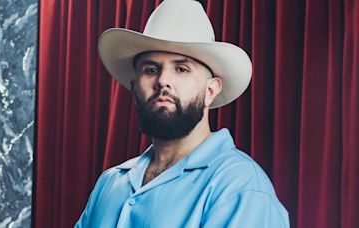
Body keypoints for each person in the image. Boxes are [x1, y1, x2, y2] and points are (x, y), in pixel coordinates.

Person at [76, 0, 289, 227]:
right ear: (135, 85)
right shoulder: (109, 183)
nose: (163, 81)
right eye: (151, 69)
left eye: (181, 69)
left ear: (210, 91)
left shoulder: (240, 188)